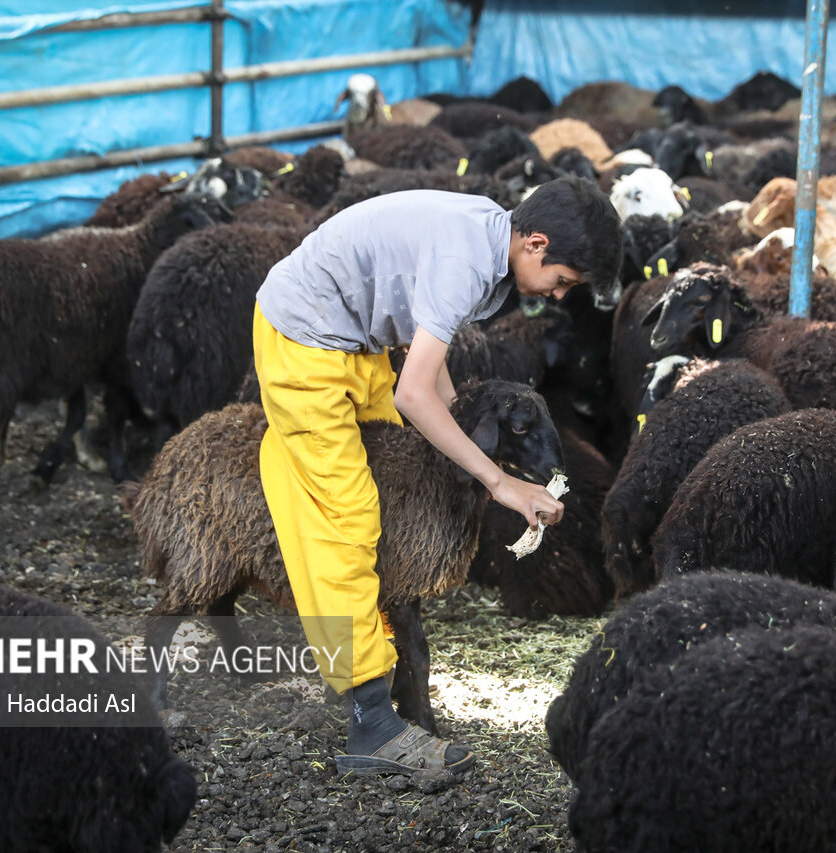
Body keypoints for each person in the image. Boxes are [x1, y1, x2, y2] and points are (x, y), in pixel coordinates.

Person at [251, 175, 622, 776]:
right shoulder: (465, 264)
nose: (557, 298)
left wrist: (488, 468)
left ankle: (393, 685)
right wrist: (501, 484)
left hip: (357, 338)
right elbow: (415, 392)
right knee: (346, 521)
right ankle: (370, 722)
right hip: (307, 338)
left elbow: (437, 386)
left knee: (396, 507)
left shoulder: (491, 238)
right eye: (562, 282)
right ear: (536, 244)